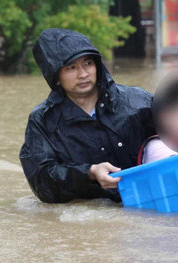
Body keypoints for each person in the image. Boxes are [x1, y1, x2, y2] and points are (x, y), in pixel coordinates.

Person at [19, 28, 155, 203]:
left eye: (88, 63)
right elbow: (43, 183)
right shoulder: (43, 121)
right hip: (98, 213)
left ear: (97, 65)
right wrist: (89, 173)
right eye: (71, 67)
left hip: (150, 199)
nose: (83, 74)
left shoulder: (137, 101)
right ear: (56, 75)